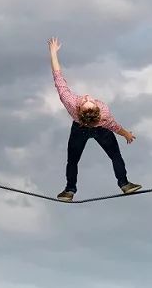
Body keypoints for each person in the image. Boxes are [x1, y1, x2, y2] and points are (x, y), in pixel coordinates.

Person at [47, 37, 142, 202]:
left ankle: (70, 190)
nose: (88, 98)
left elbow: (58, 77)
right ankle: (124, 184)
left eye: (87, 101)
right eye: (89, 101)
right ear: (96, 111)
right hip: (97, 129)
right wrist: (126, 134)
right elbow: (115, 126)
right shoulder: (103, 112)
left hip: (80, 128)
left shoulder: (71, 102)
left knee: (73, 161)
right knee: (113, 156)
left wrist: (53, 53)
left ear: (80, 109)